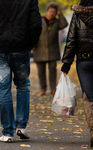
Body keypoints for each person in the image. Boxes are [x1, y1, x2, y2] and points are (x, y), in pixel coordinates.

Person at [0, 0, 42, 143]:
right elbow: (36, 24)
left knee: (4, 88)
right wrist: (31, 44)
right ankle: (21, 126)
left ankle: (7, 132)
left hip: (0, 49)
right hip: (22, 48)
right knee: (23, 85)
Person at [61, 0, 93, 147]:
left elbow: (72, 39)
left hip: (84, 61)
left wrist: (66, 63)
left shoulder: (77, 15)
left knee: (89, 97)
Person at [33, 2, 68, 96]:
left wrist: (60, 14)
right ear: (47, 11)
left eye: (54, 12)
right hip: (39, 50)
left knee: (52, 71)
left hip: (52, 51)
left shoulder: (57, 22)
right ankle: (43, 89)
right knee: (41, 72)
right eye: (50, 11)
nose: (51, 13)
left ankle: (53, 89)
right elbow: (33, 31)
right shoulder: (39, 20)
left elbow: (64, 24)